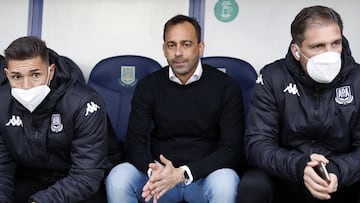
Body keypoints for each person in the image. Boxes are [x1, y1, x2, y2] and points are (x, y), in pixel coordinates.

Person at [106, 14, 244, 203]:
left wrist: (184, 174)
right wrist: (154, 172)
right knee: (119, 178)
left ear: (200, 48)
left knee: (226, 182)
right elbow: (134, 142)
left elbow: (231, 148)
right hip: (159, 179)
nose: (178, 52)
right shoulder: (149, 86)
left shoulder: (226, 87)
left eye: (186, 44)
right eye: (172, 45)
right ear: (164, 49)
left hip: (204, 177)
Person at [237, 5, 360, 203]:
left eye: (335, 43)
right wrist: (300, 166)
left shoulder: (357, 78)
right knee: (252, 186)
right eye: (318, 46)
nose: (329, 54)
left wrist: (337, 170)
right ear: (296, 50)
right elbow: (256, 144)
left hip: (341, 179)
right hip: (287, 176)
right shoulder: (272, 77)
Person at [0, 36, 123, 203]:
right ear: (7, 75)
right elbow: (3, 167)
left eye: (35, 75)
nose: (26, 86)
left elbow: (87, 175)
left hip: (81, 184)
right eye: (17, 77)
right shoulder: (3, 103)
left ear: (50, 71)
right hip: (32, 178)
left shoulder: (84, 102)